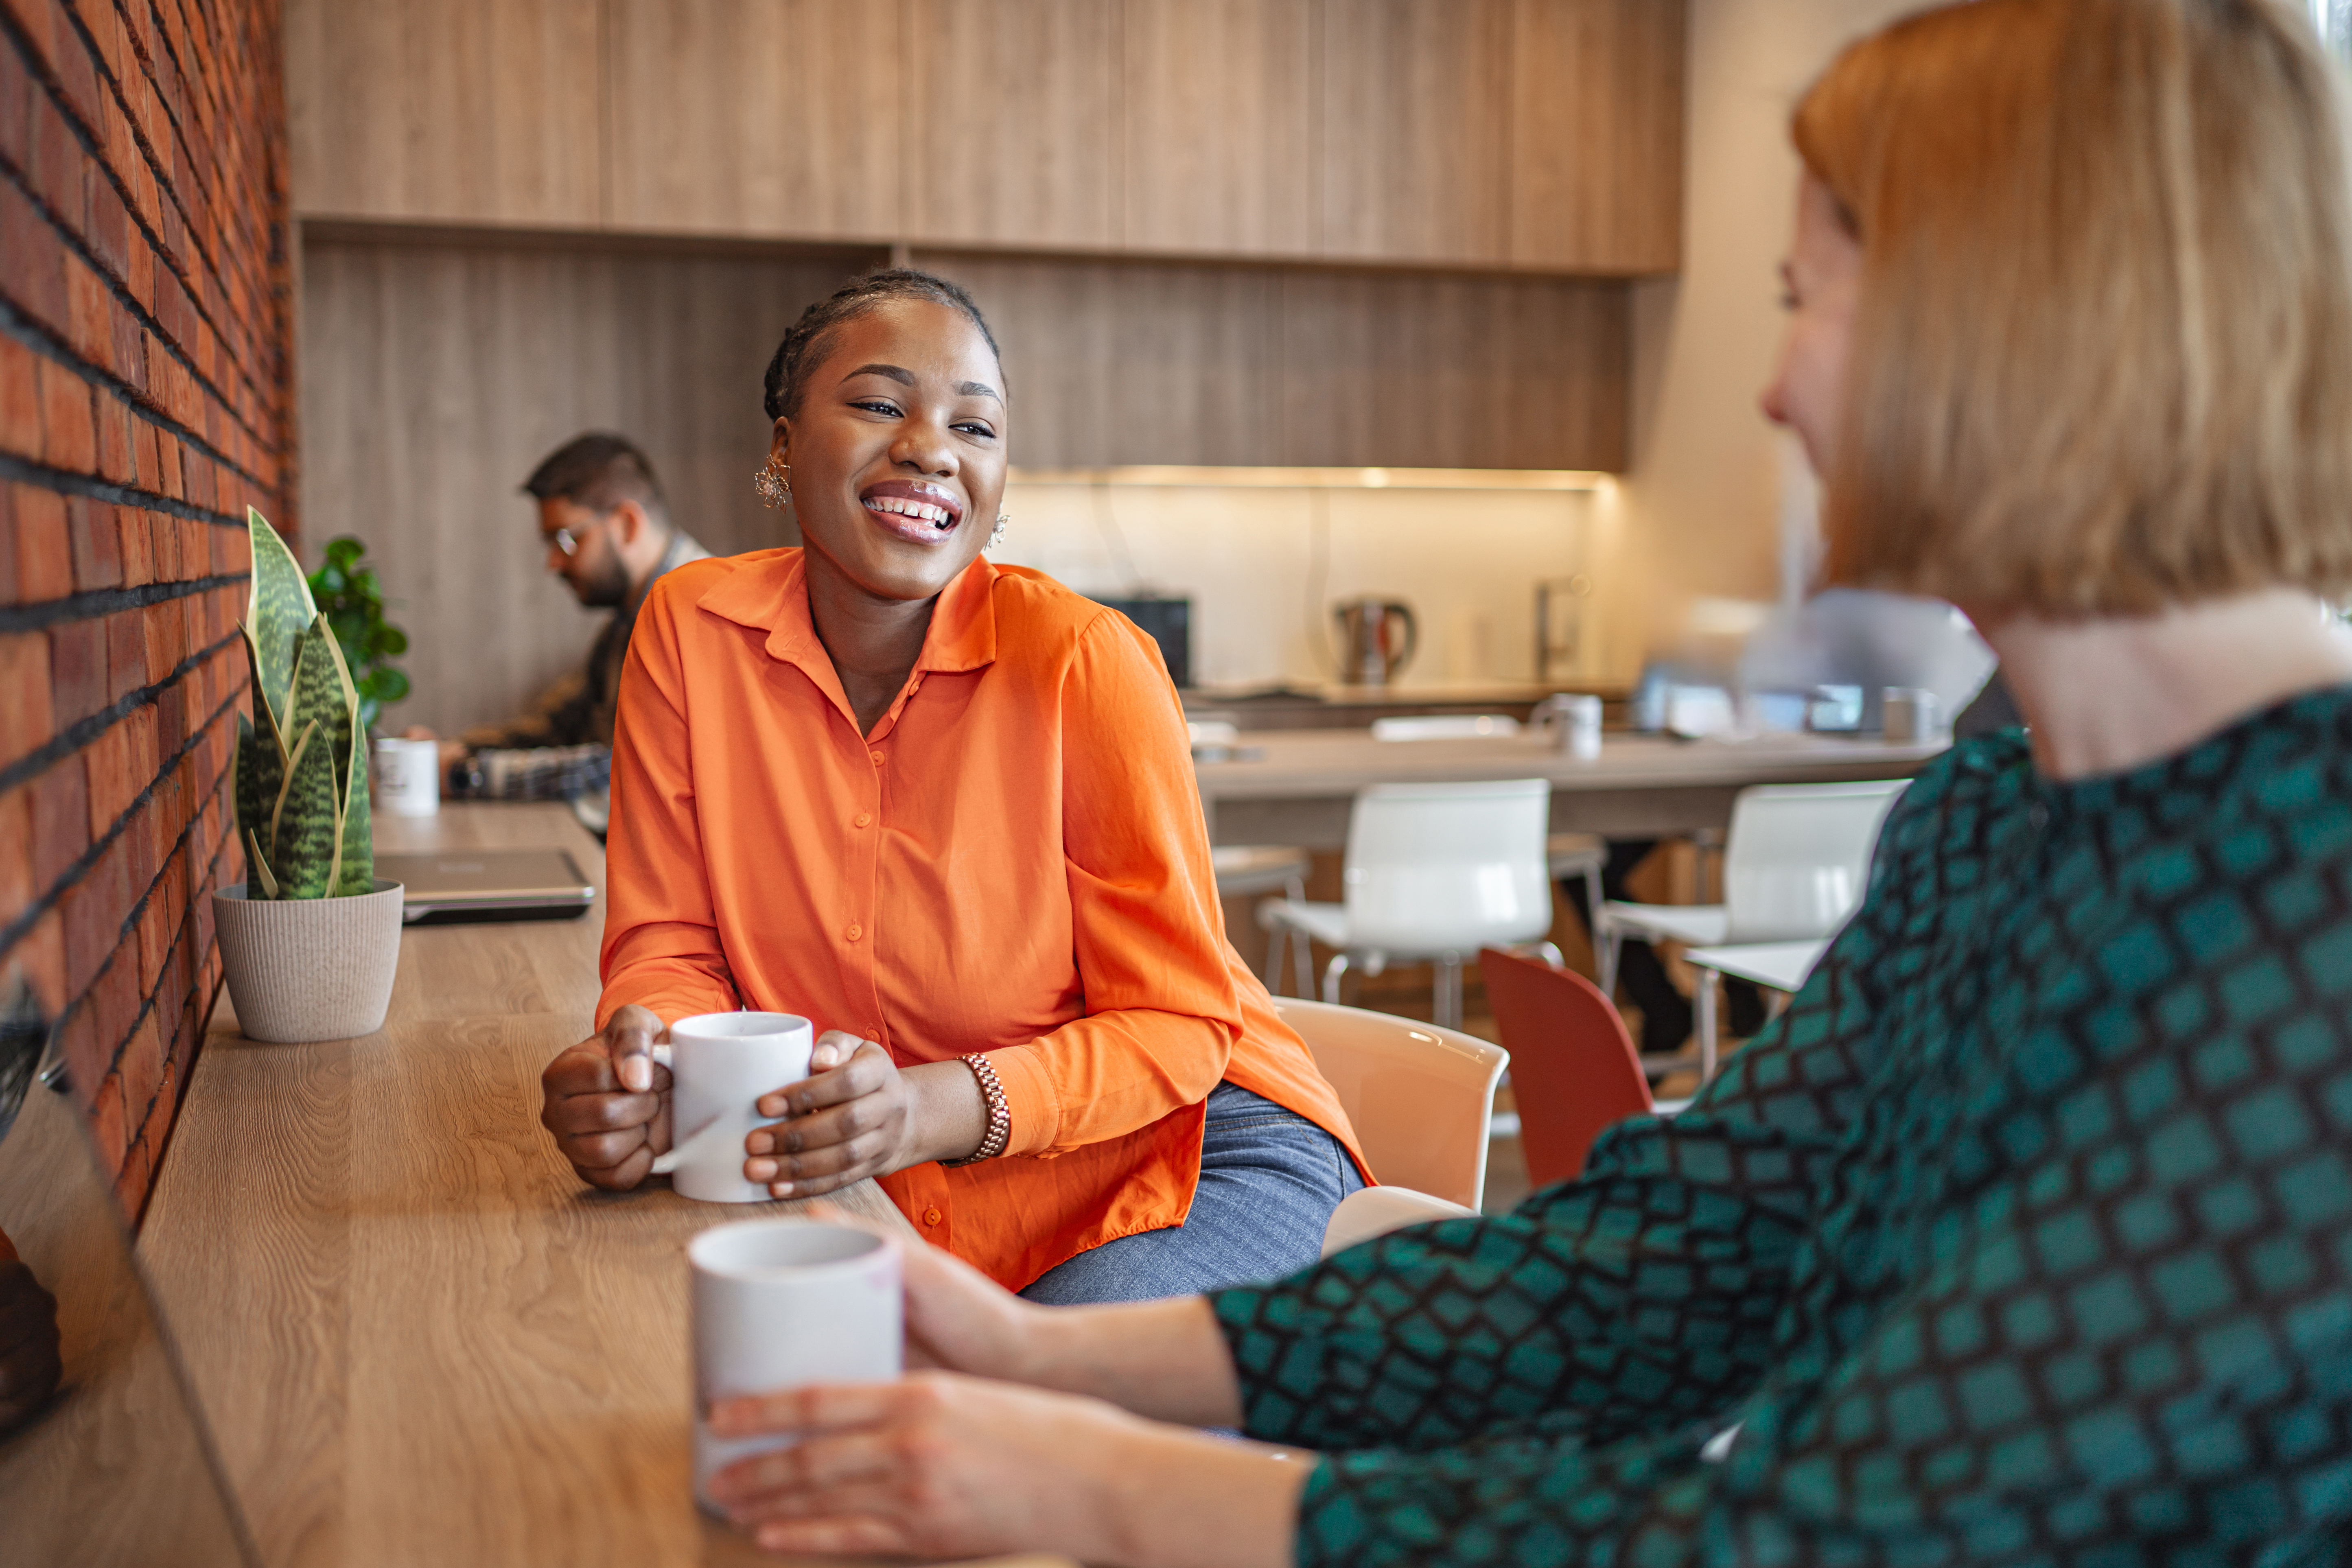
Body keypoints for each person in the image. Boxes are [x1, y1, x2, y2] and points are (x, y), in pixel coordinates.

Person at [681, 4, 2352, 1563]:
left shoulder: (2313, 907)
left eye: (1803, 297)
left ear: (2021, 320)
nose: (1769, 388)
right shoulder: (1986, 825)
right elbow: (1657, 1270)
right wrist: (1038, 1356)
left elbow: (1830, 1531)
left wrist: (1094, 1479)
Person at [538, 271, 1365, 1302]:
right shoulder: (689, 632)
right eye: (881, 404)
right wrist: (651, 1065)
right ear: (784, 445)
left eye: (974, 427)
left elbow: (1179, 1025)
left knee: (1025, 1414)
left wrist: (928, 1108)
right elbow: (671, 941)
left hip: (1192, 1153)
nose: (931, 447)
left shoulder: (1084, 663)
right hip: (902, 1176)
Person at [405, 433, 711, 781]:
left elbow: (623, 773)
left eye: (566, 539)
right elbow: (559, 725)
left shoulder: (698, 614)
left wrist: (465, 774)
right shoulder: (630, 620)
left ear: (628, 524)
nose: (554, 563)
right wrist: (451, 750)